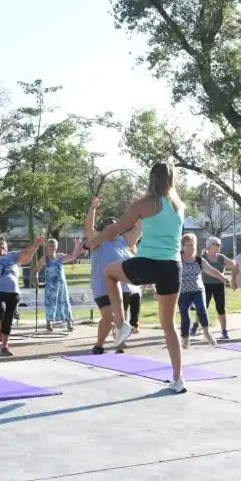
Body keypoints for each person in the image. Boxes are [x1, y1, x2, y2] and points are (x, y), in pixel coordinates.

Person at [87, 162, 187, 393]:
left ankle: (122, 325)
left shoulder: (144, 204)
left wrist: (93, 241)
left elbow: (116, 229)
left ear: (152, 178)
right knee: (169, 326)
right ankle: (178, 379)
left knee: (110, 272)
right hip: (173, 267)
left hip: (149, 262)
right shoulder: (179, 206)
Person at [84, 197, 141, 355]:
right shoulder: (100, 241)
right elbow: (89, 228)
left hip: (123, 286)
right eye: (110, 228)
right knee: (109, 316)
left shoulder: (124, 241)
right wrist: (93, 208)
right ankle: (99, 345)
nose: (113, 231)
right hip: (102, 287)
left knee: (120, 319)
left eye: (115, 227)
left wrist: (135, 209)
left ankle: (119, 346)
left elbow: (137, 229)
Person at [179, 233, 227, 347]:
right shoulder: (178, 258)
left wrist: (223, 278)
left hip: (198, 291)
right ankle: (185, 340)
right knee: (185, 314)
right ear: (182, 246)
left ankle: (207, 333)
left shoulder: (199, 260)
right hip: (183, 292)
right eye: (188, 245)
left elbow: (211, 270)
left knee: (202, 309)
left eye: (193, 245)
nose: (191, 247)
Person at [189, 236, 235, 340]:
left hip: (219, 286)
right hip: (206, 285)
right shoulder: (203, 257)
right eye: (217, 245)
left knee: (221, 308)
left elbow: (232, 264)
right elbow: (208, 271)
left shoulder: (221, 257)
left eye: (220, 245)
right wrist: (222, 276)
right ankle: (195, 326)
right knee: (202, 307)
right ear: (211, 245)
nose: (220, 247)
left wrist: (234, 262)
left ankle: (224, 331)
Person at [36, 238, 83, 332]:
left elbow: (72, 257)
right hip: (50, 286)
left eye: (54, 246)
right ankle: (49, 322)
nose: (52, 248)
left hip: (61, 285)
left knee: (65, 303)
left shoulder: (60, 256)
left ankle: (69, 322)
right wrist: (36, 278)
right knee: (50, 304)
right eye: (50, 246)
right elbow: (36, 269)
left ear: (57, 247)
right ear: (47, 247)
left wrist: (76, 245)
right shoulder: (44, 258)